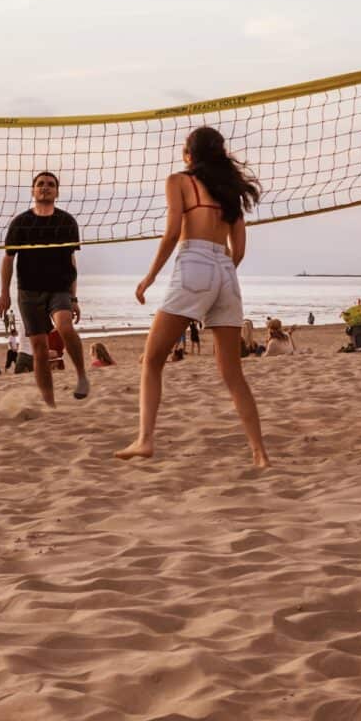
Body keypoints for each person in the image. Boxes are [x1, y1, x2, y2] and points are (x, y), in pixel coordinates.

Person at [117, 126, 269, 469]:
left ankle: (145, 439)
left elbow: (172, 234)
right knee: (233, 374)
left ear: (189, 155)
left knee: (152, 359)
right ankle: (260, 453)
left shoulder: (179, 181)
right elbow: (239, 250)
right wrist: (219, 278)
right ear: (220, 153)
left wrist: (149, 277)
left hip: (194, 264)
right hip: (226, 272)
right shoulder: (231, 192)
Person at [0, 170, 90, 405]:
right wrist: (4, 293)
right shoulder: (20, 222)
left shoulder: (66, 221)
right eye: (40, 184)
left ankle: (81, 375)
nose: (45, 187)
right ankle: (50, 403)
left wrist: (74, 298)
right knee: (39, 348)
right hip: (28, 290)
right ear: (33, 190)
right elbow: (8, 259)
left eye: (50, 184)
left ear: (56, 192)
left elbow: (71, 261)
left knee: (65, 327)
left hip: (59, 288)